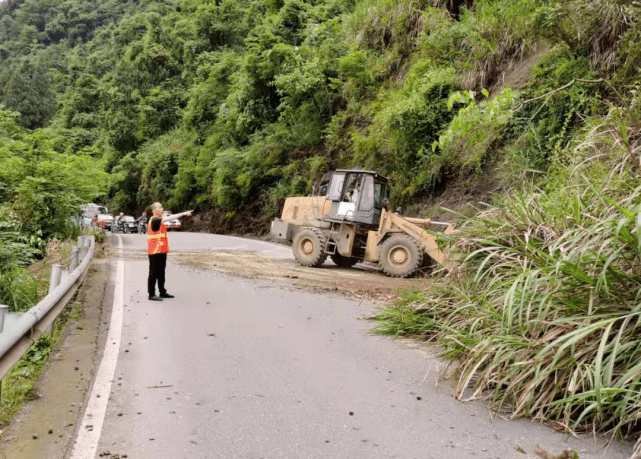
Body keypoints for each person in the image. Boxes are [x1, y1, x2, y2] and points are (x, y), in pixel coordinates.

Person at [147, 203, 193, 301]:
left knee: (161, 273)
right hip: (154, 252)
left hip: (162, 251)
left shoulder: (160, 222)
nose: (161, 208)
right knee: (153, 273)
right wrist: (183, 214)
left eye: (161, 207)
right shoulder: (154, 220)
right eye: (159, 207)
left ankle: (162, 292)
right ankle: (151, 294)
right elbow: (169, 218)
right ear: (154, 210)